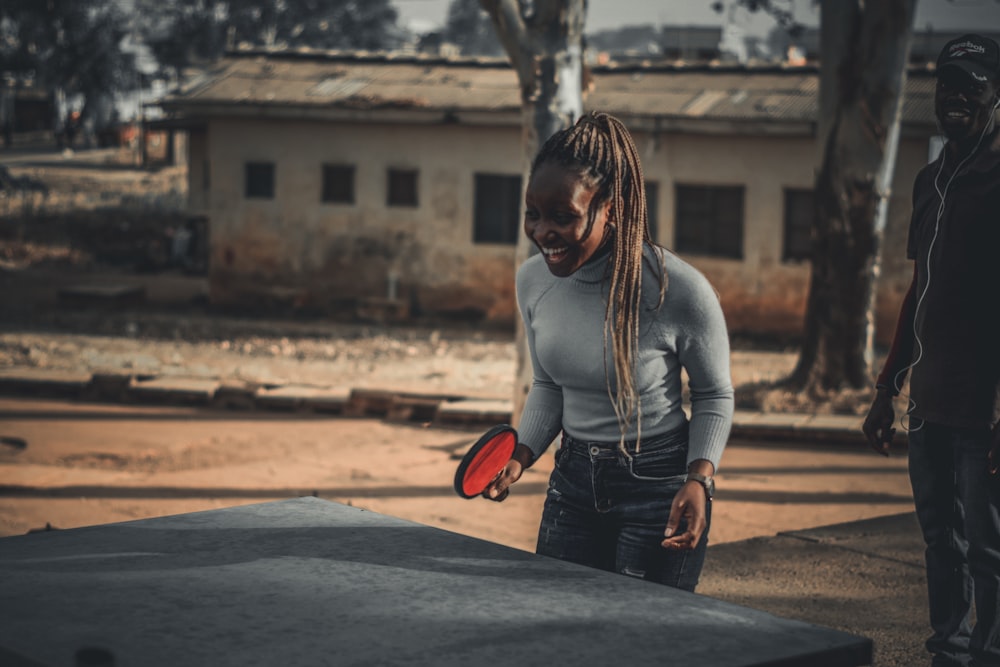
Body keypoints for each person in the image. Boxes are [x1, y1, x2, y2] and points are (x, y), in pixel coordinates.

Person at [483, 111, 734, 592]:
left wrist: (699, 480)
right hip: (572, 485)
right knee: (557, 631)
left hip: (659, 487)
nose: (541, 233)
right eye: (532, 214)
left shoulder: (676, 290)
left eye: (563, 217)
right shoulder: (532, 281)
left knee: (643, 641)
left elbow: (714, 394)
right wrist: (522, 454)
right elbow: (549, 385)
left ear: (612, 209)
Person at [863, 33, 1000, 667]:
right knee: (939, 540)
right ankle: (946, 648)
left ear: (995, 93)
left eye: (971, 84)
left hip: (986, 409)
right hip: (930, 402)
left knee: (988, 546)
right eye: (946, 84)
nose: (955, 97)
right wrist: (887, 388)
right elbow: (920, 292)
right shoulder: (930, 180)